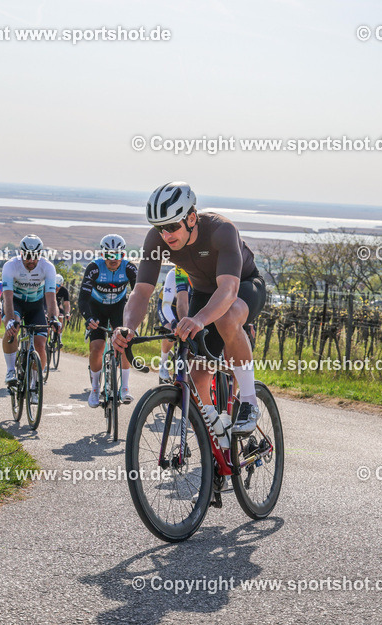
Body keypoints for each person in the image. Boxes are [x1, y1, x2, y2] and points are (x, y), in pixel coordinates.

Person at [112, 181, 266, 435]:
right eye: (160, 228)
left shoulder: (221, 230)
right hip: (204, 293)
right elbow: (141, 292)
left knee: (226, 318)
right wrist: (127, 327)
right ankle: (218, 435)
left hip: (244, 286)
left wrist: (199, 320)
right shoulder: (156, 241)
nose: (166, 235)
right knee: (196, 373)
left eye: (172, 226)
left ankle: (249, 402)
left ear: (191, 218)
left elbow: (228, 290)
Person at [78, 234, 138, 406]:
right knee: (97, 348)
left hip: (119, 308)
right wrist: (88, 318)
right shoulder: (94, 268)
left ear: (123, 256)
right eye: (109, 255)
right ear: (103, 255)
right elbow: (82, 298)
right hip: (97, 309)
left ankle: (124, 388)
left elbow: (138, 296)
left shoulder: (130, 269)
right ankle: (95, 389)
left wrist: (133, 320)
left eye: (117, 255)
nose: (113, 259)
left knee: (125, 341)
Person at [1, 235, 60, 386]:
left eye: (35, 256)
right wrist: (9, 321)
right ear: (21, 253)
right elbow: (7, 297)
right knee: (12, 330)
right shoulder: (10, 266)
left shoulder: (48, 267)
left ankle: (35, 382)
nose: (31, 260)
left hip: (36, 305)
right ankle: (10, 370)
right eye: (27, 256)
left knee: (40, 343)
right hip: (16, 303)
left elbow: (51, 297)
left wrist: (53, 318)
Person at [157, 265, 190, 382]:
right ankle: (163, 363)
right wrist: (173, 322)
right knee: (171, 332)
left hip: (186, 305)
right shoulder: (174, 274)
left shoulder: (200, 274)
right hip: (168, 305)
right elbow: (166, 305)